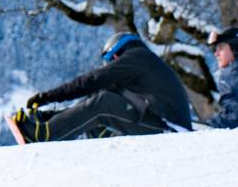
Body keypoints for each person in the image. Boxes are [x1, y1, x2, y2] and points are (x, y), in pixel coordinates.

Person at [11, 31, 194, 142]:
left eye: (109, 62)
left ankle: (42, 134)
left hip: (170, 132)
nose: (109, 66)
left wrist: (47, 97)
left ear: (116, 54)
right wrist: (49, 114)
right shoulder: (143, 63)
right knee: (103, 95)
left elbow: (91, 81)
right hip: (161, 125)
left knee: (103, 102)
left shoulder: (137, 58)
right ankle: (47, 122)